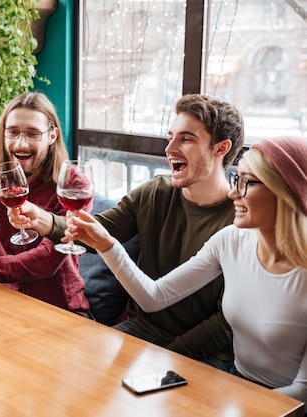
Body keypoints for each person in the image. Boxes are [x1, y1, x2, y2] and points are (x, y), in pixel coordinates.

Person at [65, 135, 307, 405]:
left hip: (286, 403)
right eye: (235, 179)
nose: (233, 193)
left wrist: (238, 407)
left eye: (246, 182)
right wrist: (107, 245)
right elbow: (154, 297)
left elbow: (303, 390)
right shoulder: (231, 241)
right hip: (235, 379)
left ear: (285, 190)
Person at [9, 94, 244, 368]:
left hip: (205, 354)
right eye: (170, 136)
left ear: (221, 148)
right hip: (141, 333)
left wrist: (168, 358)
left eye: (186, 139)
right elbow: (99, 232)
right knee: (64, 373)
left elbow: (227, 321)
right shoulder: (155, 192)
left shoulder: (240, 220)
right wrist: (41, 218)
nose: (170, 148)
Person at [0, 92, 92, 316]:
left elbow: (47, 260)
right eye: (13, 132)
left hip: (57, 309)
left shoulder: (73, 185)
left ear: (52, 136)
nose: (21, 144)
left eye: (32, 134)